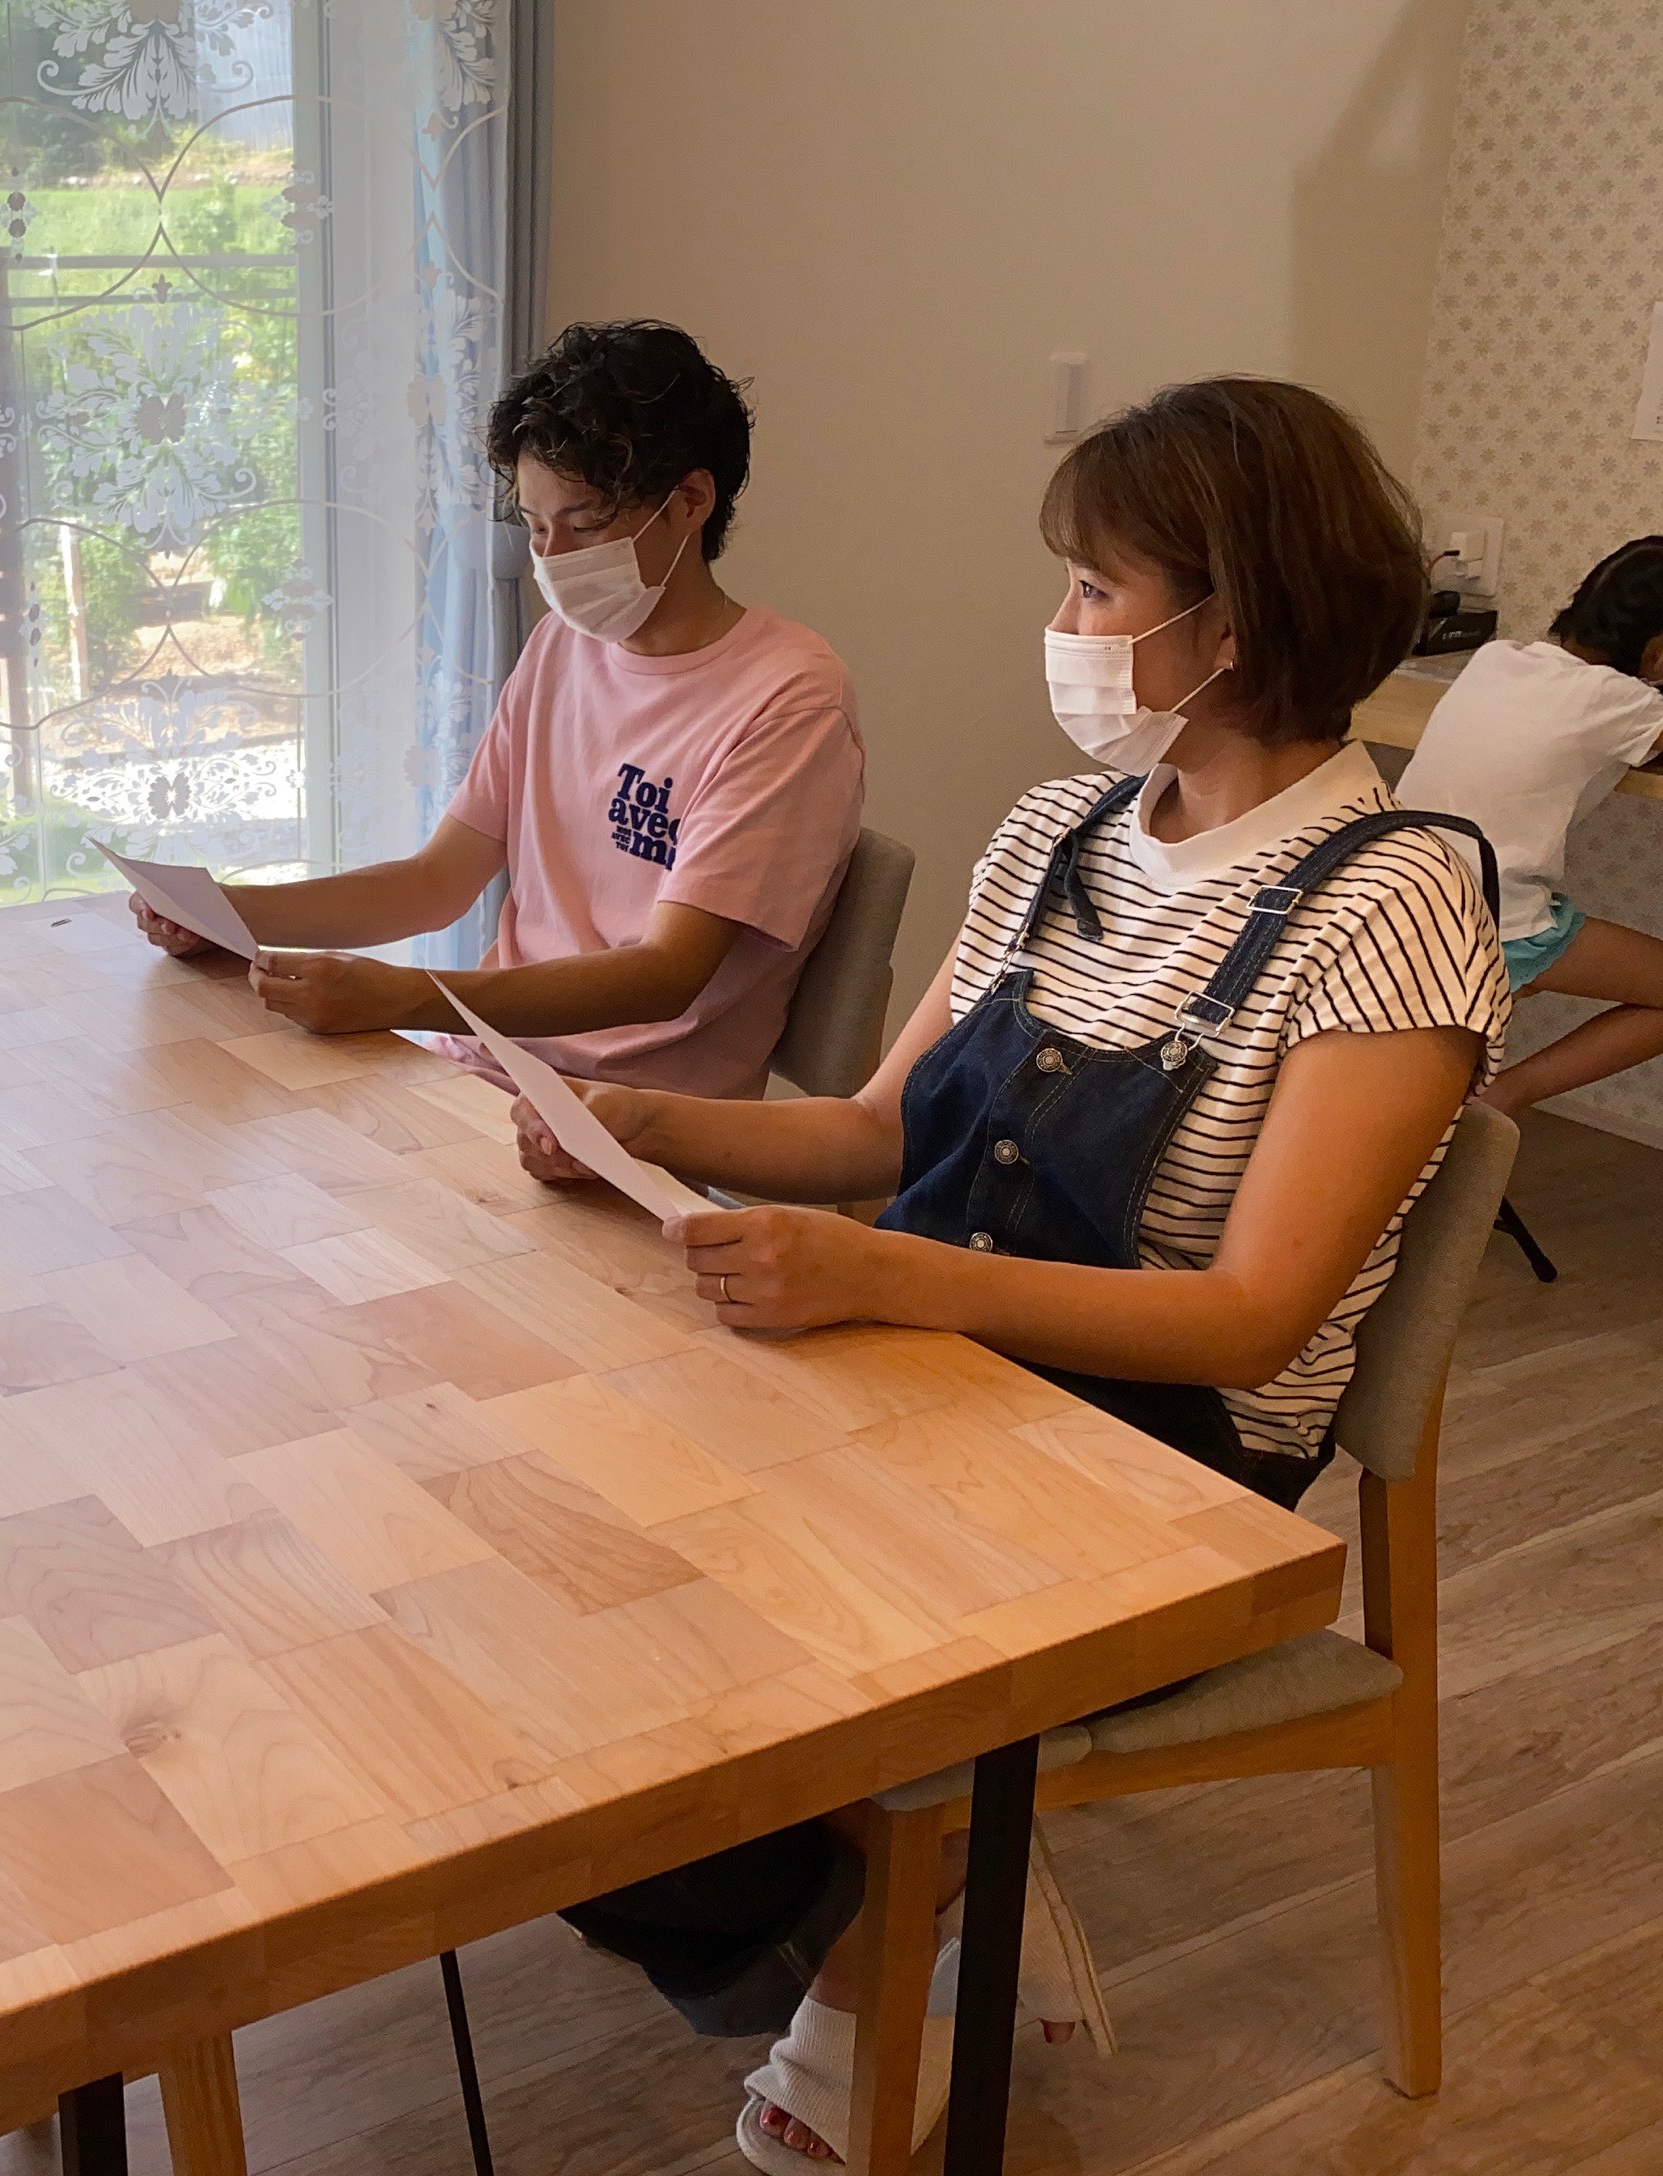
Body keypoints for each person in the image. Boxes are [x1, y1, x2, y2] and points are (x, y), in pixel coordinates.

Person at [520, 378, 1511, 2169]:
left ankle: (909, 1904)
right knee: (569, 1579)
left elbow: (1251, 1319)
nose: (1058, 629)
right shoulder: (1055, 833)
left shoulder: (1392, 900)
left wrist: (877, 1285)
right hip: (955, 1370)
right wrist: (646, 1128)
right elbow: (880, 1136)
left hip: (1171, 1466)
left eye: (1092, 590)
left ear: (1230, 617)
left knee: (679, 1681)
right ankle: (907, 1900)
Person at [127, 319, 865, 1098]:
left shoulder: (790, 699)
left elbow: (665, 974)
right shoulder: (561, 648)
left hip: (634, 1123)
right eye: (536, 528)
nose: (551, 558)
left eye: (584, 526)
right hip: (488, 1073)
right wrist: (225, 917)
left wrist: (409, 995)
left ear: (688, 502)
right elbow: (435, 882)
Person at [1394, 535, 1663, 1119]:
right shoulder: (1620, 701)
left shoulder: (1495, 658)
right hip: (1487, 924)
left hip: (1395, 896)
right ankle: (1502, 1097)